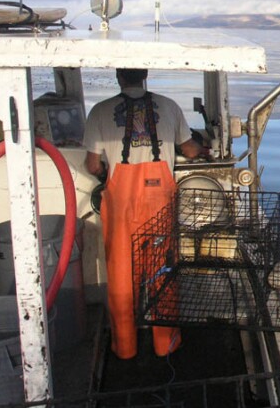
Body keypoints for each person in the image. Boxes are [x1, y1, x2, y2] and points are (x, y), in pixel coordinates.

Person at [84, 68, 202, 359]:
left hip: (122, 207)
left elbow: (92, 166)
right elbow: (189, 149)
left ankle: (124, 348)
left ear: (118, 76)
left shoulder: (100, 111)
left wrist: (107, 170)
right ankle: (166, 344)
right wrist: (201, 148)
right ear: (145, 74)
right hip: (159, 203)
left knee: (122, 276)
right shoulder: (170, 106)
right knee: (163, 273)